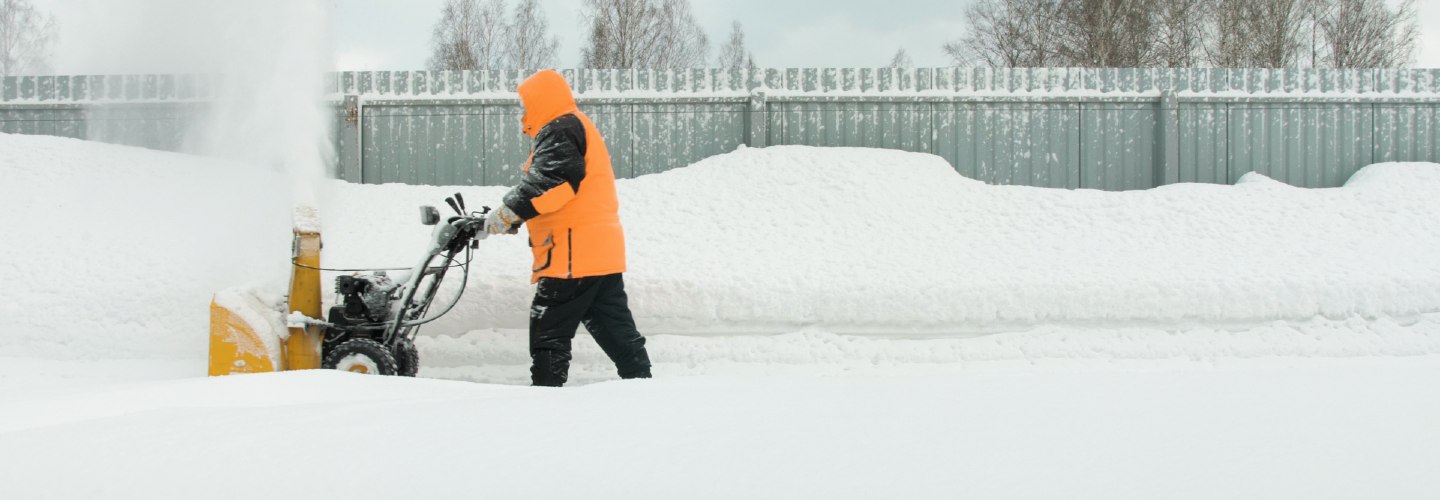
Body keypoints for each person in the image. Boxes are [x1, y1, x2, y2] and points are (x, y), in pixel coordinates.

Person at [483, 69, 652, 387]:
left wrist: (507, 214)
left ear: (541, 99)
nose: (524, 112)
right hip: (597, 249)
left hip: (572, 252)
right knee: (614, 327)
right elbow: (554, 183)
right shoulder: (572, 124)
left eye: (527, 103)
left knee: (548, 326)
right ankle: (642, 385)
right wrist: (513, 217)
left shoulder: (560, 126)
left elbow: (551, 184)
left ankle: (546, 395)